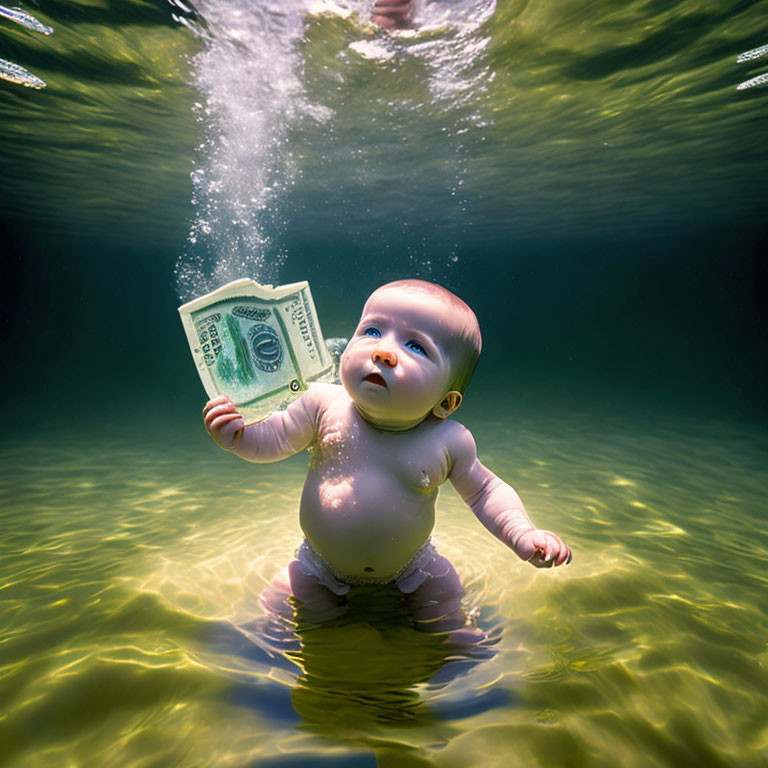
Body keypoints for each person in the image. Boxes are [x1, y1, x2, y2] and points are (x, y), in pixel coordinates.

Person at [203, 280, 572, 630]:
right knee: (279, 611)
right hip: (318, 564)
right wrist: (239, 436)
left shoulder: (448, 440)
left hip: (413, 566)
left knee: (449, 612)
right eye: (372, 331)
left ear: (446, 403)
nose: (384, 352)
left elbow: (485, 492)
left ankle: (460, 658)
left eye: (416, 347)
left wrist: (522, 533)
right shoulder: (320, 403)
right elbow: (276, 438)